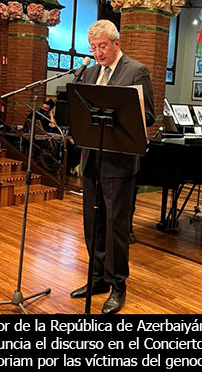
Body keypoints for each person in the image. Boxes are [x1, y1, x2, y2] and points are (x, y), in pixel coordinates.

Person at [70, 19, 155, 314]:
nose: (98, 53)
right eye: (93, 48)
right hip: (92, 158)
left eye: (102, 46)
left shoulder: (136, 70)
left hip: (119, 160)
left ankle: (118, 284)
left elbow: (150, 115)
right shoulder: (90, 72)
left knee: (115, 226)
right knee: (92, 223)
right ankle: (96, 279)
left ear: (116, 43)